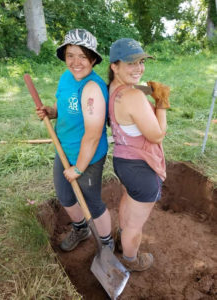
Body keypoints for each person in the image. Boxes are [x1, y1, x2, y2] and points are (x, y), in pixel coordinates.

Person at [36, 29, 114, 252]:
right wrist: (50, 112)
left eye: (82, 55)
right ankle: (81, 229)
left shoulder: (92, 89)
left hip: (87, 157)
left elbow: (92, 134)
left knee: (91, 201)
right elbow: (63, 107)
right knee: (65, 195)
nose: (76, 61)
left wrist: (79, 168)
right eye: (71, 55)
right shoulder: (66, 78)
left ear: (92, 58)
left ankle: (106, 243)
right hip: (65, 149)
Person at [108, 38, 170, 271]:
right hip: (141, 168)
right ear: (114, 66)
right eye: (131, 63)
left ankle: (121, 239)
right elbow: (157, 135)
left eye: (142, 61)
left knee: (128, 200)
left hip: (124, 161)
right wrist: (162, 103)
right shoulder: (133, 98)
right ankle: (131, 260)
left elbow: (133, 89)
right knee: (136, 225)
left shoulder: (113, 89)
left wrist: (146, 89)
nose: (139, 68)